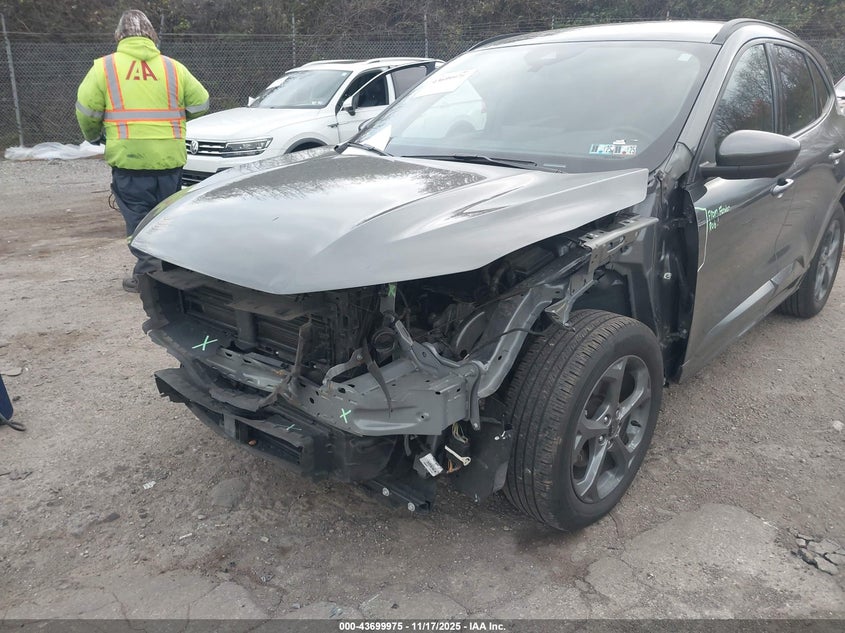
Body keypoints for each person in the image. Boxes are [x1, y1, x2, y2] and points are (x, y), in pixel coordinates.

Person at [75, 9, 209, 292]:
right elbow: (201, 103)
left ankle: (150, 275)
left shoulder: (104, 68)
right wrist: (178, 121)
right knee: (167, 216)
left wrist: (94, 136)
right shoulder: (173, 68)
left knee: (138, 217)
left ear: (119, 36)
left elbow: (86, 111)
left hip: (130, 160)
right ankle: (173, 270)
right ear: (152, 35)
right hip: (169, 158)